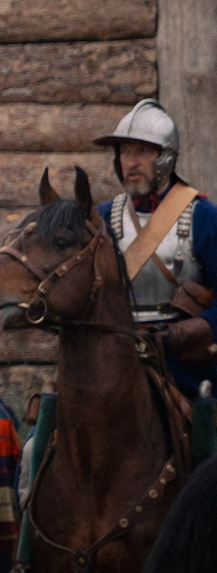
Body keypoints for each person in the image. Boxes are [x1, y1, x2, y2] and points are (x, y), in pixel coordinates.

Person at [93, 98, 216, 401]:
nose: (131, 162)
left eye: (142, 151)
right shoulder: (101, 218)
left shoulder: (203, 217)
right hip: (113, 361)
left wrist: (181, 335)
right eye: (125, 152)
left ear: (165, 158)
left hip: (183, 368)